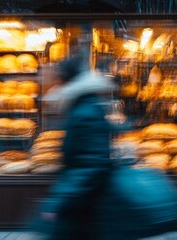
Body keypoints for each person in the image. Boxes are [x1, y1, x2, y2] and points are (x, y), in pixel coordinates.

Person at [33, 53, 121, 240]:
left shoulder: (84, 112)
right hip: (83, 200)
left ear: (66, 81)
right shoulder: (84, 106)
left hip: (84, 202)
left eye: (56, 79)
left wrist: (59, 201)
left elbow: (90, 163)